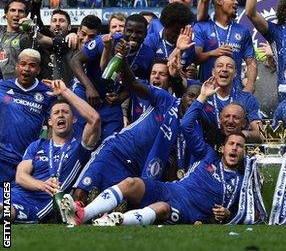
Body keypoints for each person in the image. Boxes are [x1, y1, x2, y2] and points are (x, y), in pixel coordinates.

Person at [59, 95, 246, 226]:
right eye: (232, 144)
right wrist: (202, 97)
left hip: (188, 211)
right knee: (132, 183)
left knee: (162, 209)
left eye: (240, 146)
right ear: (224, 147)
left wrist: (229, 214)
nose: (235, 148)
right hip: (171, 189)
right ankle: (83, 214)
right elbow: (186, 125)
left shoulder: (241, 178)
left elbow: (243, 208)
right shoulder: (208, 155)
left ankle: (116, 221)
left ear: (245, 152)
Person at [71, 43, 200, 203]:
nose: (157, 77)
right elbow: (131, 83)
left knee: (110, 207)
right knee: (80, 194)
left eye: (162, 74)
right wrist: (123, 58)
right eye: (154, 73)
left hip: (138, 168)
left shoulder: (189, 126)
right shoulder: (163, 98)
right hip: (119, 150)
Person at [9, 79, 101, 223]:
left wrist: (65, 91)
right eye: (56, 113)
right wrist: (42, 185)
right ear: (50, 121)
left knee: (6, 211)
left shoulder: (80, 147)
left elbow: (94, 119)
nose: (61, 115)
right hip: (13, 192)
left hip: (38, 205)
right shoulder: (37, 145)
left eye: (65, 112)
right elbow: (20, 176)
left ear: (74, 119)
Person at [70, 14, 152, 139]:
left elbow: (138, 85)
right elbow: (75, 61)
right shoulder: (105, 41)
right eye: (129, 31)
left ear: (146, 33)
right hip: (87, 94)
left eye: (139, 32)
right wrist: (88, 87)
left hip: (111, 102)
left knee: (111, 140)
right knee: (81, 139)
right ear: (124, 30)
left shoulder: (148, 55)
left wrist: (121, 97)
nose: (133, 35)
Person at [0, 49, 56, 182]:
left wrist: (45, 153)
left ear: (38, 70)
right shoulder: (2, 87)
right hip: (2, 156)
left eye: (32, 65)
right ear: (17, 66)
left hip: (24, 161)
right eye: (23, 64)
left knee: (9, 197)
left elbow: (52, 126)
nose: (26, 68)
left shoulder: (47, 94)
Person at [193, 0, 256, 92]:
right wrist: (213, 53)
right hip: (208, 91)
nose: (236, 2)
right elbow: (195, 58)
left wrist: (249, 86)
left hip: (235, 92)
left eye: (236, 0)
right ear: (219, 2)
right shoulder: (202, 27)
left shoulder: (242, 30)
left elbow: (251, 62)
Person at [200, 55, 262, 141]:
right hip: (208, 149)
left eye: (229, 67)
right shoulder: (203, 97)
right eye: (220, 66)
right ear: (213, 72)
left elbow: (260, 133)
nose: (224, 69)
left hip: (236, 148)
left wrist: (243, 134)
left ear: (235, 73)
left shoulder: (246, 98)